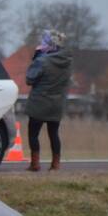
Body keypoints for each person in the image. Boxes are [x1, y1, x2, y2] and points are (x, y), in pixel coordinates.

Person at [24, 29, 72, 171]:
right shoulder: (67, 62)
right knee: (54, 133)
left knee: (33, 134)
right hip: (57, 104)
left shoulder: (42, 60)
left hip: (39, 102)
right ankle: (55, 164)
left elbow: (29, 79)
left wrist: (36, 58)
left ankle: (35, 164)